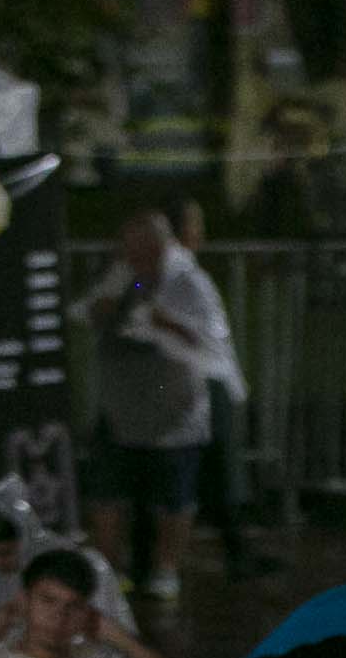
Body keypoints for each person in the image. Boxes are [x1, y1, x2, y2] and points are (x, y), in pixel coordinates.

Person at [76, 205, 242, 604]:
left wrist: (166, 323)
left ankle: (167, 570)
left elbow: (210, 342)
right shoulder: (127, 278)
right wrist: (119, 298)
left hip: (176, 407)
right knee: (110, 491)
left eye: (143, 252)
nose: (135, 260)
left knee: (174, 495)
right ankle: (111, 572)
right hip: (123, 405)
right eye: (129, 251)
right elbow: (94, 309)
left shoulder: (190, 283)